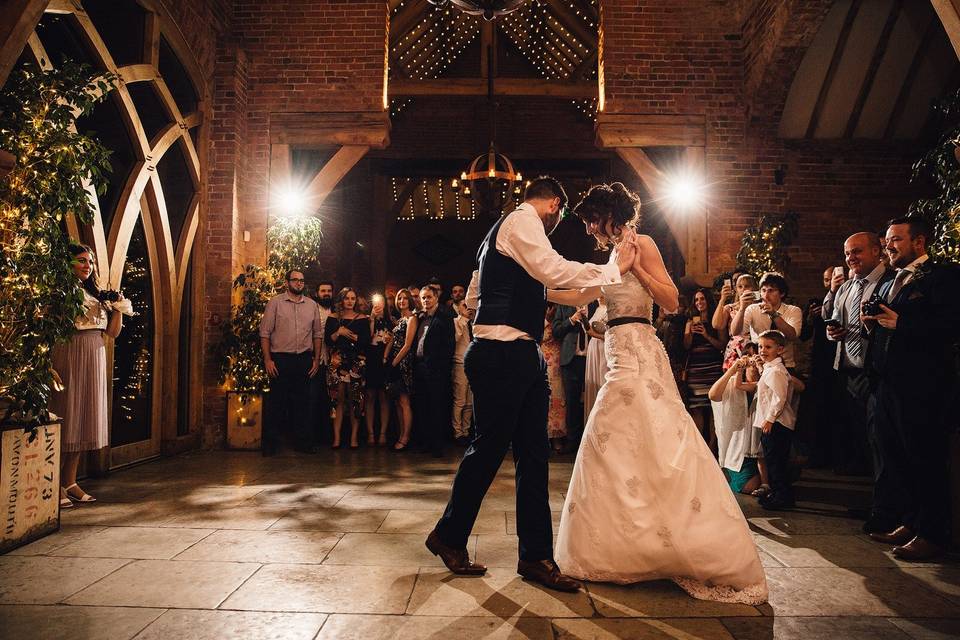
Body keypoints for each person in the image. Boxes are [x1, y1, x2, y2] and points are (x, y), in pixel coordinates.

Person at [553, 182, 768, 605]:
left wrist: (635, 270)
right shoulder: (612, 255)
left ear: (605, 216)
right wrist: (536, 283)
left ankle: (678, 540)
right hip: (615, 349)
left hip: (640, 351)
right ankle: (629, 546)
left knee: (651, 436)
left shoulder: (643, 243)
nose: (590, 231)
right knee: (616, 443)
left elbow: (670, 300)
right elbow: (580, 294)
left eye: (591, 222)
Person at [428, 176, 632, 592]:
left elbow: (552, 292)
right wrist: (611, 268)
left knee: (534, 455)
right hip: (502, 353)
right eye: (562, 215)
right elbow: (553, 269)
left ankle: (535, 557)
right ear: (555, 202)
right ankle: (448, 536)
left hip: (521, 355)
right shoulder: (522, 223)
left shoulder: (506, 239)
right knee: (488, 449)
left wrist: (606, 281)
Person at [863, 217, 960, 561]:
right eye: (887, 240)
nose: (888, 246)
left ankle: (933, 532)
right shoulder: (893, 280)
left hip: (922, 386)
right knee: (897, 458)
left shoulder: (942, 276)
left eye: (895, 240)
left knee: (924, 458)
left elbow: (950, 325)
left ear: (919, 243)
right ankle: (911, 520)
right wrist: (872, 324)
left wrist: (903, 322)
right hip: (888, 383)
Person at [51, 244, 125, 506]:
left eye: (90, 262)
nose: (87, 265)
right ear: (68, 263)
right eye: (81, 260)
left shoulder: (95, 295)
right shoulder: (60, 292)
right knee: (68, 414)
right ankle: (53, 483)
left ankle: (69, 481)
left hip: (95, 353)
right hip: (70, 351)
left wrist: (118, 308)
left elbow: (113, 333)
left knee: (84, 417)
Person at [822, 233, 894, 487]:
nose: (850, 258)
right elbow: (831, 324)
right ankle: (872, 498)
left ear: (877, 251)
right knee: (861, 439)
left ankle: (887, 506)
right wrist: (833, 333)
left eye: (857, 251)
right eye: (847, 253)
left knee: (883, 441)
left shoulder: (890, 281)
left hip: (878, 372)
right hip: (848, 371)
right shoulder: (846, 287)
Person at [259, 269, 323, 456]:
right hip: (281, 359)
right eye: (295, 280)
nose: (299, 283)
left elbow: (318, 334)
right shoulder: (275, 303)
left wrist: (316, 359)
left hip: (303, 359)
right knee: (277, 403)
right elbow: (265, 333)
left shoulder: (312, 305)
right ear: (287, 282)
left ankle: (303, 443)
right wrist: (268, 359)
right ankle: (271, 445)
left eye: (302, 280)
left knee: (304, 404)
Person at [752, 330, 798, 511]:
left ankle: (781, 496)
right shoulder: (771, 369)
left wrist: (770, 419)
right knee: (773, 461)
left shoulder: (777, 371)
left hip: (777, 424)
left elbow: (780, 397)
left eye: (768, 347)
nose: (762, 350)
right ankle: (779, 494)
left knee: (776, 462)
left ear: (779, 349)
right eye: (760, 346)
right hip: (772, 422)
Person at [709, 352, 762, 495]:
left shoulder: (771, 379)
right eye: (752, 364)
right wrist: (733, 369)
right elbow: (713, 395)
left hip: (762, 448)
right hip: (741, 451)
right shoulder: (734, 384)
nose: (755, 367)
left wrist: (764, 368)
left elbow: (799, 386)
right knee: (749, 486)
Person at [324, 287, 371, 449]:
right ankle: (336, 439)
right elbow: (328, 341)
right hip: (337, 362)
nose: (350, 301)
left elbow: (366, 341)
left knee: (355, 401)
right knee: (337, 400)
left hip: (357, 362)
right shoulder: (333, 318)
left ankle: (353, 438)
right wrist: (339, 332)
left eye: (353, 298)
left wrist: (355, 337)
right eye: (347, 298)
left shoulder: (363, 318)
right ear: (341, 300)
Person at [413, 284, 455, 457]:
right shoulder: (421, 317)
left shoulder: (445, 316)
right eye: (423, 297)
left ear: (436, 297)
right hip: (421, 367)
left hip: (437, 370)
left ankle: (437, 445)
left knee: (437, 407)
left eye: (429, 297)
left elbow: (449, 345)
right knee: (423, 406)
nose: (426, 300)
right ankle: (426, 443)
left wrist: (441, 368)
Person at [730, 272, 802, 371]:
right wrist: (742, 309)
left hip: (785, 366)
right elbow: (735, 332)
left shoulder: (793, 310)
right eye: (763, 290)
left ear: (782, 293)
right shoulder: (753, 309)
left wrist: (774, 315)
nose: (766, 295)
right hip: (758, 366)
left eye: (771, 291)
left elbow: (792, 335)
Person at [682, 288, 725, 446]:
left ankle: (713, 445)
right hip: (696, 368)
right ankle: (700, 445)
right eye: (696, 300)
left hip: (713, 367)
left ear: (708, 300)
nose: (699, 302)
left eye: (702, 299)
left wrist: (706, 335)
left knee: (714, 408)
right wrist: (689, 334)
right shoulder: (689, 321)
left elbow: (722, 344)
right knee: (697, 408)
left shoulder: (717, 320)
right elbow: (686, 347)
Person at [552, 302, 592, 451]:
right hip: (571, 360)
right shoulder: (565, 304)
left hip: (592, 359)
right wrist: (571, 320)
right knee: (572, 402)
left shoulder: (596, 303)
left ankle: (590, 439)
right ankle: (572, 441)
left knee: (593, 398)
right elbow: (556, 331)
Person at [385, 288, 419, 451]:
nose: (402, 301)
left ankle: (406, 438)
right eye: (399, 299)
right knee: (398, 401)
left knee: (405, 401)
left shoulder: (412, 319)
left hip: (404, 363)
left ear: (409, 301)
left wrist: (394, 363)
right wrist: (386, 358)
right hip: (394, 361)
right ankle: (400, 435)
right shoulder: (400, 319)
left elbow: (407, 345)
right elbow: (392, 340)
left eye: (405, 298)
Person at [365, 293, 392, 446]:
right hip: (370, 360)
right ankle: (370, 433)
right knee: (369, 397)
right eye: (375, 302)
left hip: (384, 360)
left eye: (381, 301)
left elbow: (393, 341)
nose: (378, 304)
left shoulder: (390, 321)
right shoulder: (367, 319)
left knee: (384, 397)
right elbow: (367, 338)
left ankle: (382, 433)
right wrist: (372, 318)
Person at [714, 274, 758, 369]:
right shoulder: (731, 307)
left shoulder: (760, 307)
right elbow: (717, 325)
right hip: (736, 349)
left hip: (755, 347)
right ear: (736, 289)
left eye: (747, 286)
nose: (743, 289)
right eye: (740, 286)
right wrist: (722, 299)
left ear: (754, 288)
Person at [311, 281, 335, 448]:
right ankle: (314, 437)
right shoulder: (312, 310)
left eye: (329, 291)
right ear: (317, 293)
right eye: (323, 291)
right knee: (315, 397)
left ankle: (328, 436)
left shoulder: (336, 311)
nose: (326, 293)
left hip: (333, 359)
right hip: (315, 358)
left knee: (329, 399)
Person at [542, 304, 568, 453]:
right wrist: (546, 319)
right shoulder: (539, 318)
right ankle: (544, 437)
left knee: (558, 400)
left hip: (558, 362)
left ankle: (557, 436)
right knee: (545, 400)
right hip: (544, 362)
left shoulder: (561, 315)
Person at [451, 299, 474, 446]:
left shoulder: (475, 322)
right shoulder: (456, 322)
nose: (468, 309)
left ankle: (466, 431)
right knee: (459, 400)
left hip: (473, 365)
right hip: (460, 363)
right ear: (458, 308)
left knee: (469, 401)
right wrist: (464, 318)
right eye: (464, 306)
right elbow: (454, 339)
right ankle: (457, 432)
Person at [583, 297, 608, 422]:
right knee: (593, 381)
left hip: (603, 348)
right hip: (593, 348)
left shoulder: (609, 309)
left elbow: (609, 333)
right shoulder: (597, 309)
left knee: (603, 380)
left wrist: (594, 334)